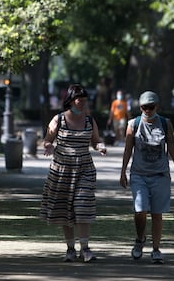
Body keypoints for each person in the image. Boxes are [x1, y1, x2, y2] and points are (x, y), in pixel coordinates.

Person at [40, 84, 107, 263]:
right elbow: (46, 140)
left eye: (85, 101)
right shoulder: (58, 119)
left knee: (82, 206)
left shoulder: (89, 121)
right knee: (64, 209)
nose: (83, 104)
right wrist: (49, 146)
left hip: (85, 168)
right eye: (80, 101)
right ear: (70, 101)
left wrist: (100, 147)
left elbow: (95, 141)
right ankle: (70, 249)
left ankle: (85, 248)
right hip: (62, 170)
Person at [120, 90, 174, 264]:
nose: (148, 110)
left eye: (151, 107)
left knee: (157, 213)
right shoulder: (133, 124)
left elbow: (171, 147)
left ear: (157, 106)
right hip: (139, 174)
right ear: (140, 107)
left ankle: (156, 249)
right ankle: (140, 239)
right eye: (144, 107)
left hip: (160, 175)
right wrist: (123, 172)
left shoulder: (165, 123)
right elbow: (128, 149)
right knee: (140, 210)